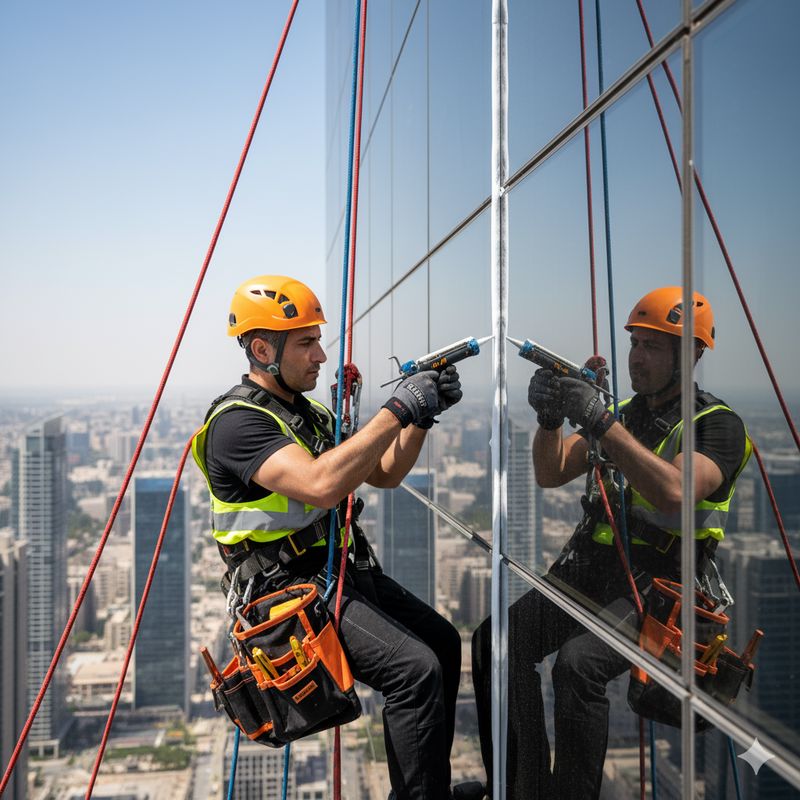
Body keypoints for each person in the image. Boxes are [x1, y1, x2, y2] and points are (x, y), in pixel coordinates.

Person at [192, 274, 477, 800]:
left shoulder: (310, 415)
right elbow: (322, 485)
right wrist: (398, 408)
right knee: (414, 672)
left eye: (318, 340)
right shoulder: (238, 423)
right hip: (288, 594)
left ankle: (426, 790)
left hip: (336, 576)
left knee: (443, 643)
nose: (321, 355)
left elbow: (384, 472)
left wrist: (420, 418)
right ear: (262, 349)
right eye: (306, 342)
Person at [471, 287, 751, 799]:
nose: (637, 358)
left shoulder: (718, 427)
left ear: (690, 354)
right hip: (591, 571)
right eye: (635, 344)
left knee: (578, 665)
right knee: (497, 642)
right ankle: (522, 786)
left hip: (658, 587)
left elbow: (674, 492)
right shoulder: (627, 413)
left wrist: (601, 421)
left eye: (652, 347)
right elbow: (550, 471)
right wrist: (551, 420)